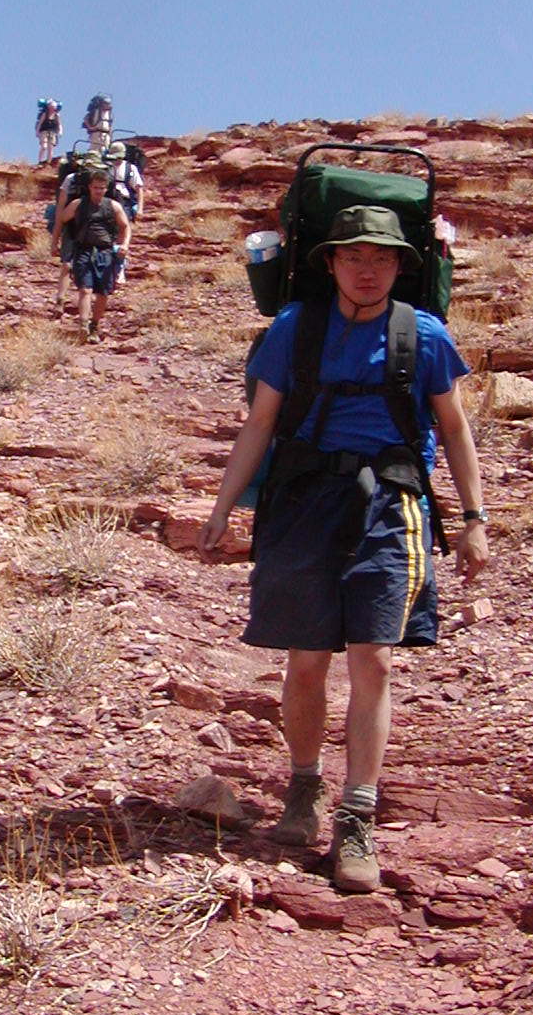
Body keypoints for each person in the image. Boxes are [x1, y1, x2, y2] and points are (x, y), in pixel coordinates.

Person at [197, 205, 489, 893]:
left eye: (382, 258)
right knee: (306, 659)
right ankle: (304, 787)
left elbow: (453, 429)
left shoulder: (424, 334)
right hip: (304, 503)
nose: (367, 269)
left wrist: (475, 518)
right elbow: (260, 423)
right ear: (329, 262)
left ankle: (357, 817)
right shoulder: (296, 328)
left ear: (401, 266)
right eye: (353, 256)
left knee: (374, 659)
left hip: (392, 505)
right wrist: (221, 507)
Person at [53, 160, 130, 343]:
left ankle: (95, 325)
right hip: (83, 250)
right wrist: (56, 242)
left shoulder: (113, 206)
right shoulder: (78, 204)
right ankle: (83, 324)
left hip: (106, 253)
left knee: (103, 293)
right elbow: (62, 220)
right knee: (85, 290)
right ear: (89, 187)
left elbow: (125, 226)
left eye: (102, 188)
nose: (98, 191)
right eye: (95, 187)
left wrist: (125, 244)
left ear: (106, 188)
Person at [105, 141, 144, 222]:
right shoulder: (105, 167)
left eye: (119, 157)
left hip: (124, 203)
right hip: (107, 202)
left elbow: (139, 189)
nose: (117, 159)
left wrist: (139, 209)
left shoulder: (130, 168)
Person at [35, 100, 62, 164]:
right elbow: (40, 123)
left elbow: (59, 124)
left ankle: (48, 163)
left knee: (51, 148)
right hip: (44, 131)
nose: (52, 108)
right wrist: (37, 131)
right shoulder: (45, 114)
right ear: (48, 107)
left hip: (53, 132)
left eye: (53, 107)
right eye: (51, 106)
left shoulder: (57, 115)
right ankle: (40, 161)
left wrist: (60, 131)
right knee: (44, 147)